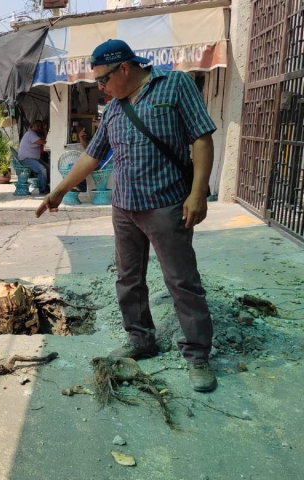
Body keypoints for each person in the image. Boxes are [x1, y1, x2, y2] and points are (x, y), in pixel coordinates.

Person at [36, 39, 217, 392]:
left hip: (166, 203)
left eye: (102, 79)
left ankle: (197, 354)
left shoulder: (174, 85)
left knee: (181, 281)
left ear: (124, 68)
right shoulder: (116, 108)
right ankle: (141, 339)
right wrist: (59, 190)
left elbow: (201, 138)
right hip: (125, 206)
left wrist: (198, 192)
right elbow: (93, 155)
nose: (100, 87)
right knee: (128, 278)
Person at [18, 120, 50, 195]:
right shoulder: (30, 133)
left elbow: (46, 140)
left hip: (33, 159)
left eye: (40, 126)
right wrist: (45, 130)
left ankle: (45, 186)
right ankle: (43, 190)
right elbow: (43, 142)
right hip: (26, 159)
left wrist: (45, 130)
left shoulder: (35, 134)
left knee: (48, 167)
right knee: (42, 169)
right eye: (37, 126)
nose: (39, 128)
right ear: (32, 126)